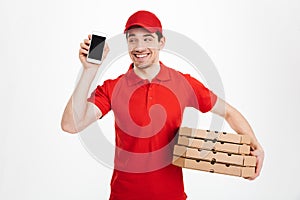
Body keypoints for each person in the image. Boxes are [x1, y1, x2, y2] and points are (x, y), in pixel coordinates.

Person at [61, 10, 264, 200]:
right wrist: (89, 70)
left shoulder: (183, 83)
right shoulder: (113, 87)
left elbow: (228, 112)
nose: (139, 47)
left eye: (147, 39)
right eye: (132, 40)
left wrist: (256, 146)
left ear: (161, 42)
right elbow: (71, 125)